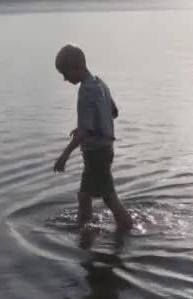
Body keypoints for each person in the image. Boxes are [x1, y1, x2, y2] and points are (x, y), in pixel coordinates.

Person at [52, 44, 133, 247]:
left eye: (65, 73)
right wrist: (88, 126)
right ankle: (84, 229)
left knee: (109, 197)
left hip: (96, 153)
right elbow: (113, 112)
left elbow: (85, 130)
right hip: (103, 149)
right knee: (84, 195)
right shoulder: (100, 84)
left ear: (76, 67)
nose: (64, 79)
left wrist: (65, 155)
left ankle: (127, 227)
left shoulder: (86, 91)